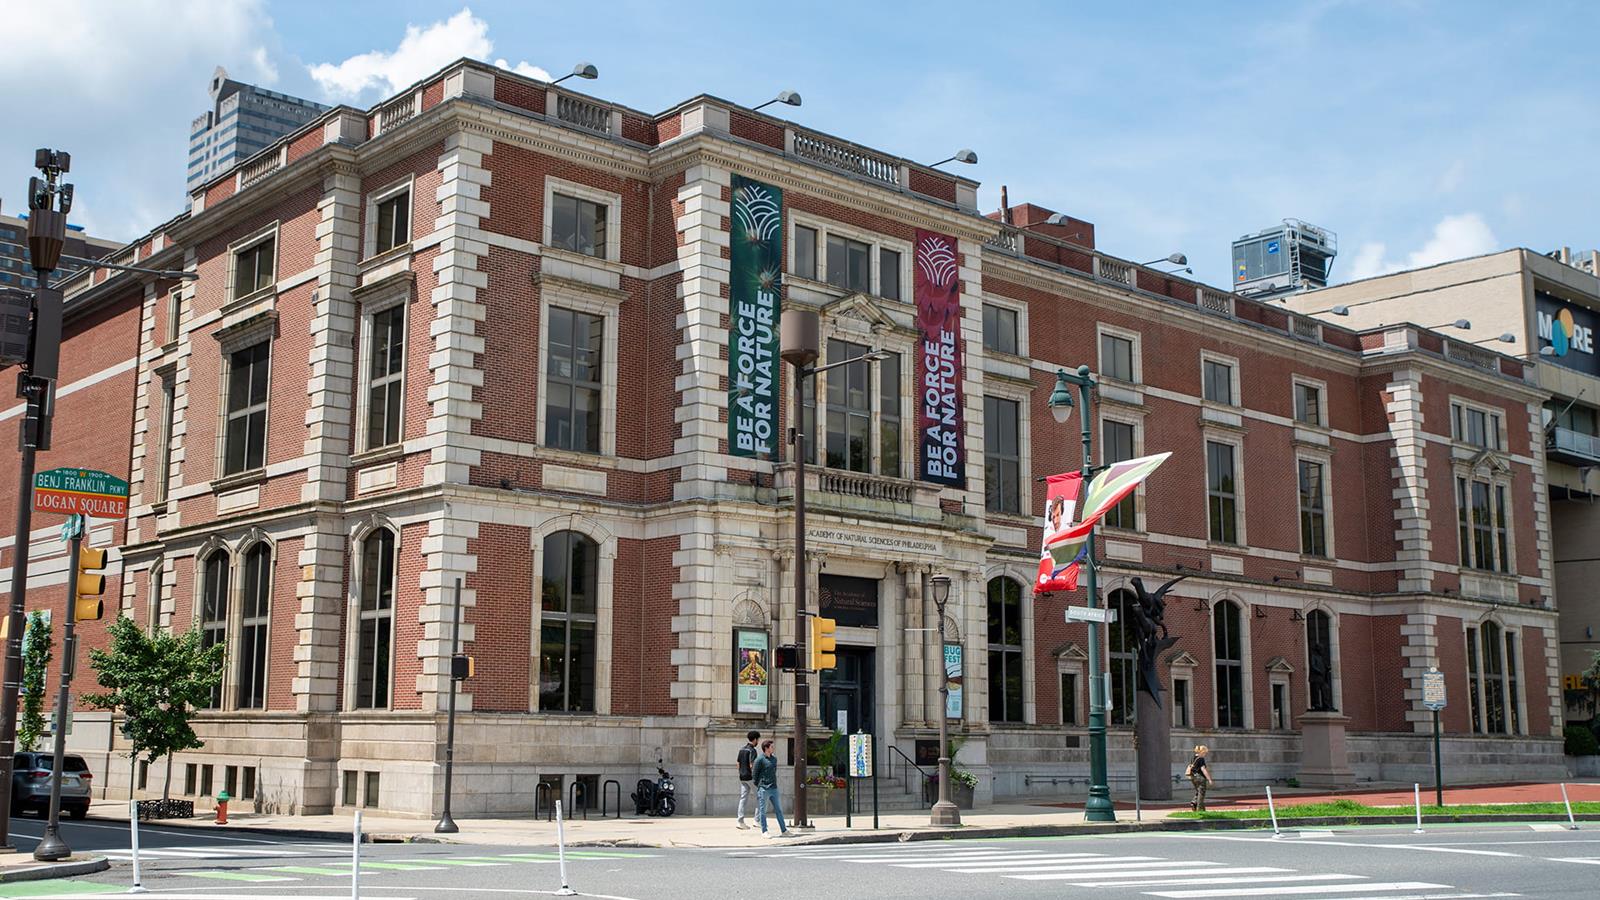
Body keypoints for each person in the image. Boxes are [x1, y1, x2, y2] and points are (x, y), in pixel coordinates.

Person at [753, 738, 789, 837]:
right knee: (763, 811)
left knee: (779, 810)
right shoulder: (760, 759)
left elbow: (774, 772)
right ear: (766, 748)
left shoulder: (774, 759)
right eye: (771, 747)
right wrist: (760, 784)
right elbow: (755, 774)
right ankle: (764, 831)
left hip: (774, 788)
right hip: (764, 788)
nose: (773, 748)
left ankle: (784, 830)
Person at [735, 730, 760, 829]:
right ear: (755, 739)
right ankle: (756, 821)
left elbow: (738, 763)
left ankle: (740, 821)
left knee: (743, 798)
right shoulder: (752, 751)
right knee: (760, 797)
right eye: (758, 739)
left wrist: (742, 772)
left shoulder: (741, 749)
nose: (758, 741)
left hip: (742, 777)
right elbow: (752, 765)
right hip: (750, 777)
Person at [1186, 744, 1214, 811]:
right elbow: (1203, 769)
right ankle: (1199, 809)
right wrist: (1209, 779)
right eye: (1205, 753)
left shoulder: (1193, 758)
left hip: (1193, 777)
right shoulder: (1201, 758)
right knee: (1201, 793)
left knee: (1198, 792)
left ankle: (1194, 802)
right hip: (1200, 777)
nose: (1205, 754)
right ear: (1202, 752)